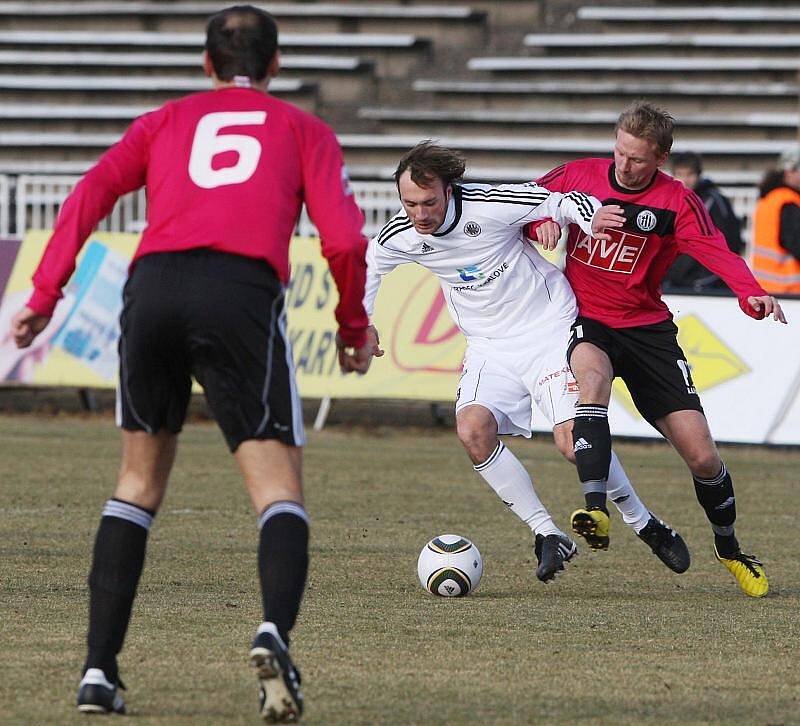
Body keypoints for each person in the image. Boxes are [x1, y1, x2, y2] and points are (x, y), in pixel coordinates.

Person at [10, 6, 372, 721]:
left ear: (206, 64)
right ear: (274, 65)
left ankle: (96, 672)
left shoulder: (166, 120)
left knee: (137, 483)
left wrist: (45, 292)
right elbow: (344, 239)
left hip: (153, 287)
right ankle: (273, 629)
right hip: (239, 289)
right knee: (278, 491)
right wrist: (351, 323)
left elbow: (90, 194)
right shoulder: (305, 130)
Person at [354, 141, 691, 586]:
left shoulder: (489, 205)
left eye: (429, 202)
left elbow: (564, 199)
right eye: (410, 203)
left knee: (573, 444)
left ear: (449, 190)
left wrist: (575, 219)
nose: (420, 213)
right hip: (489, 346)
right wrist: (363, 321)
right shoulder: (401, 234)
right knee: (473, 430)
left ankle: (643, 522)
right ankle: (547, 534)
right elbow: (367, 269)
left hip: (548, 331)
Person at [530, 101, 786, 598]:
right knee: (592, 384)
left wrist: (749, 292)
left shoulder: (676, 202)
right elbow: (517, 206)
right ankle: (596, 509)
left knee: (703, 458)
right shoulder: (577, 176)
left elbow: (717, 250)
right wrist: (536, 224)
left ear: (661, 159)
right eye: (620, 152)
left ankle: (730, 549)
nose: (624, 166)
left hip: (648, 330)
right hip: (586, 319)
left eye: (637, 160)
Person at [665, 151, 744, 292]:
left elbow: (730, 240)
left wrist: (713, 276)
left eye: (689, 174)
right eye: (680, 174)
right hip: (672, 281)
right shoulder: (667, 200)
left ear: (699, 175)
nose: (685, 180)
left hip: (705, 282)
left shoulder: (715, 201)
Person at [751, 147, 800, 294]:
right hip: (789, 289)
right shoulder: (788, 201)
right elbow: (796, 242)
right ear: (789, 171)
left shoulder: (769, 198)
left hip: (767, 287)